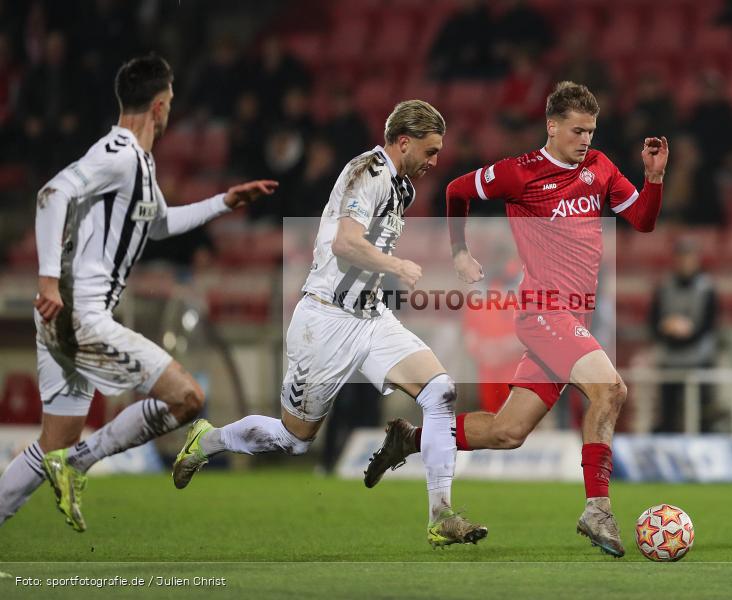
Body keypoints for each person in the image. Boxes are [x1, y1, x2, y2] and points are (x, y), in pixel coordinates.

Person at [365, 82, 668, 556]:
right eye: (577, 130)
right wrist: (460, 252)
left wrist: (653, 178)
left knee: (509, 432)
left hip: (574, 318)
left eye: (591, 130)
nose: (585, 139)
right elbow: (456, 190)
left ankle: (411, 440)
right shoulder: (518, 173)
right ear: (552, 126)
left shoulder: (600, 168)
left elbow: (644, 222)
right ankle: (597, 509)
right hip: (544, 310)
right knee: (611, 390)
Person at [171, 100, 488, 548]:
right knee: (295, 439)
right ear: (403, 142)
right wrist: (395, 264)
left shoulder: (402, 188)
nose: (434, 161)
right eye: (430, 150)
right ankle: (209, 440)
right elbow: (345, 243)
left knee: (440, 391)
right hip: (325, 319)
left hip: (370, 317)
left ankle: (441, 515)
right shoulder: (369, 174)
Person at [0, 54, 277, 531]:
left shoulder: (137, 164)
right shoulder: (120, 154)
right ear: (159, 105)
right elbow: (51, 195)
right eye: (169, 103)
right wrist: (47, 279)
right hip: (79, 313)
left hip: (68, 316)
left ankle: (68, 462)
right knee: (187, 398)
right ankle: (81, 464)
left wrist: (224, 202)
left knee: (53, 442)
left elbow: (161, 224)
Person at [648, 238, 719, 432]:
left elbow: (709, 323)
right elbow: (653, 320)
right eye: (681, 257)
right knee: (668, 414)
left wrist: (688, 333)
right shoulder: (664, 286)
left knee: (702, 415)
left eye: (689, 257)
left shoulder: (707, 287)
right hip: (669, 358)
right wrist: (668, 330)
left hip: (699, 359)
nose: (685, 262)